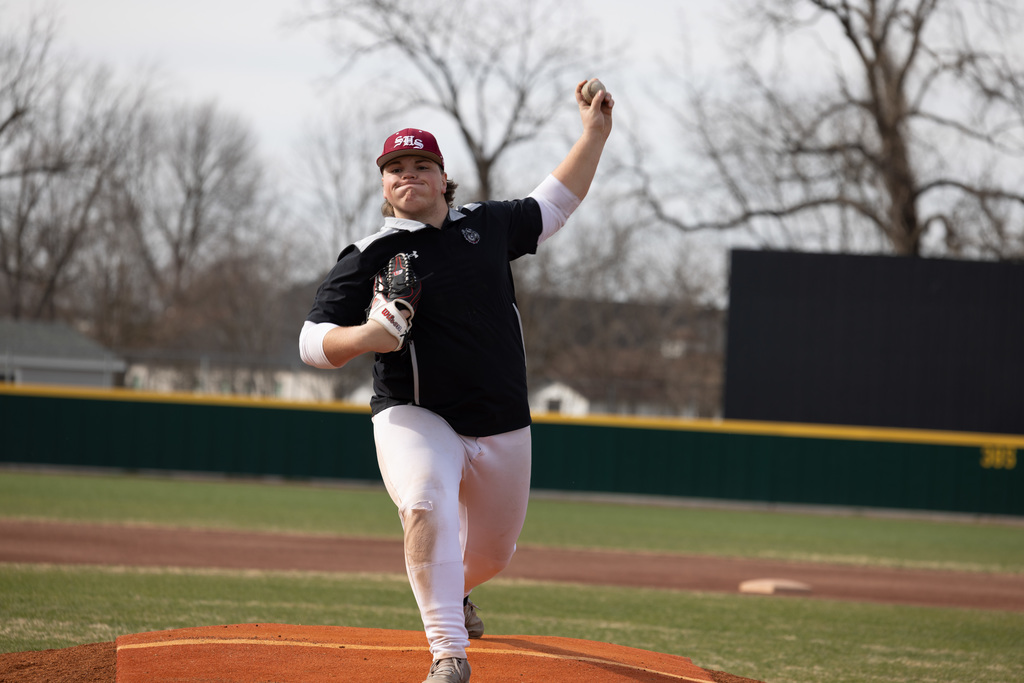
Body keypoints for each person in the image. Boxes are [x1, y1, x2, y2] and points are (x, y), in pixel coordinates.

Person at [298, 79, 613, 683]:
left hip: (501, 421)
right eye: (395, 168)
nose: (407, 175)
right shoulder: (370, 253)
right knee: (423, 502)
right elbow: (312, 343)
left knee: (493, 554)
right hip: (415, 413)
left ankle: (455, 590)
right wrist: (366, 336)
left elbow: (557, 201)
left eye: (421, 165)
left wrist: (593, 133)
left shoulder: (488, 226)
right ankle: (449, 655)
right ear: (384, 184)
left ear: (444, 178)